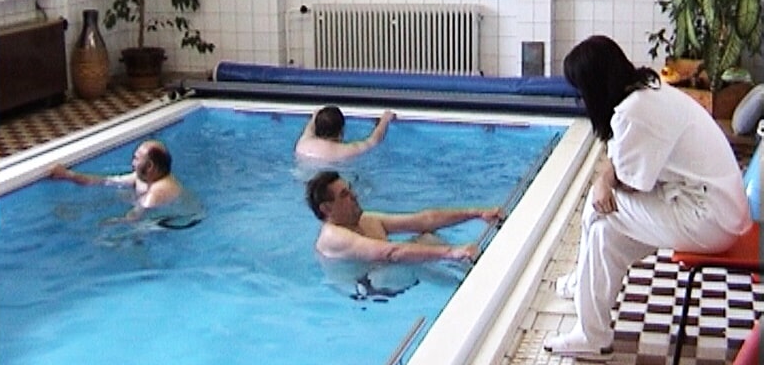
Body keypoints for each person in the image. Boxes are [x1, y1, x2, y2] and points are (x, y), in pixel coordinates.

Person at [543, 36, 752, 361]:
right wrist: (607, 177)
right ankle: (590, 322)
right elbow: (622, 166)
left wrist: (604, 180)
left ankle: (588, 326)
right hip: (718, 209)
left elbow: (629, 183)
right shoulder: (649, 89)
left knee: (598, 207)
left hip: (709, 219)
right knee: (605, 233)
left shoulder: (633, 112)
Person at [306, 170, 503, 263]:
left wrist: (477, 213)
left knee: (429, 238)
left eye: (350, 190)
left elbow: (423, 220)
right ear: (326, 208)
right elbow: (390, 252)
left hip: (390, 274)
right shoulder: (333, 237)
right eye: (344, 195)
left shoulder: (366, 219)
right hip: (371, 291)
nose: (355, 196)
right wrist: (451, 252)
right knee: (392, 268)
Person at [49, 140, 204, 228]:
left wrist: (103, 223)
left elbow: (133, 218)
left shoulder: (158, 191)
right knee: (120, 194)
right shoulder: (143, 177)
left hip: (179, 223)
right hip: (162, 215)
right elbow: (106, 181)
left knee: (119, 238)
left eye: (136, 158)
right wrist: (68, 175)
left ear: (150, 166)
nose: (132, 162)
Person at [295, 105, 396, 161]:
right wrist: (385, 120)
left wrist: (315, 115)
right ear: (341, 131)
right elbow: (374, 140)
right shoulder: (345, 151)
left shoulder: (303, 144)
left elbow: (309, 127)